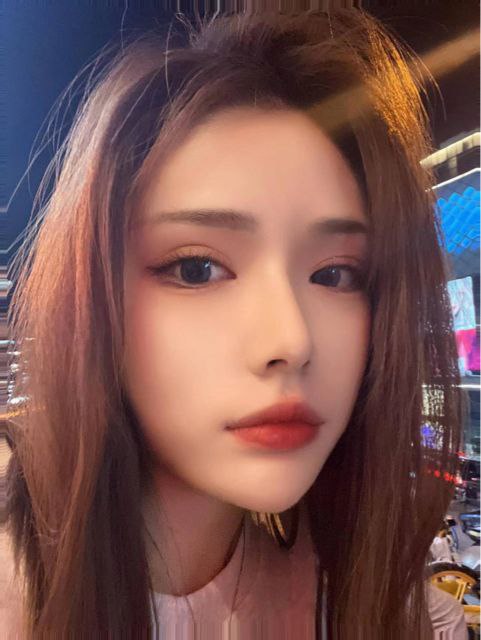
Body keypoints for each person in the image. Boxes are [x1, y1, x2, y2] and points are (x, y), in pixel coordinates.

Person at [2, 9, 468, 639]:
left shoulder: (373, 603)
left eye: (335, 274)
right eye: (196, 268)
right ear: (91, 298)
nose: (290, 341)